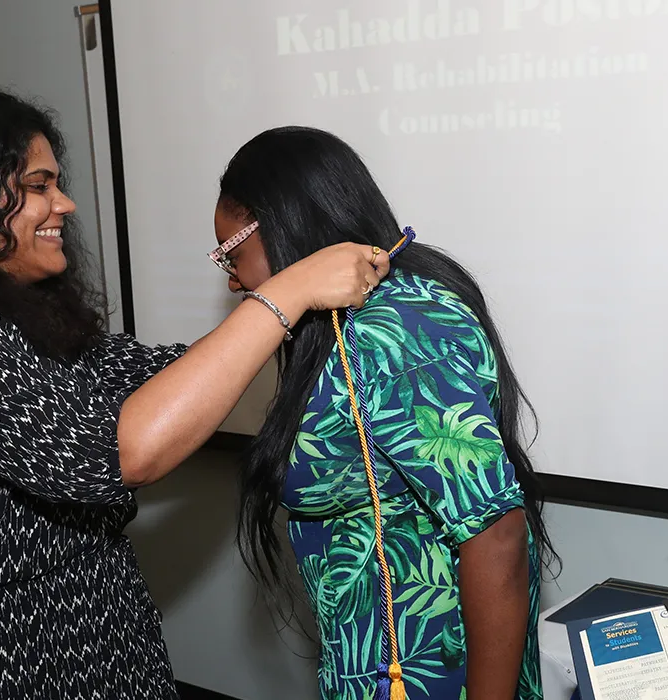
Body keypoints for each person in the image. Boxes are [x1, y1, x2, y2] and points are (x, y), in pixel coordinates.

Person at [0, 81, 389, 698]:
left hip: (104, 648)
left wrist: (285, 317)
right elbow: (121, 453)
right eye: (39, 186)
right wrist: (288, 292)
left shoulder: (23, 320)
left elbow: (158, 375)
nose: (66, 205)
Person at [213, 126, 555, 700]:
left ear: (282, 226)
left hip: (427, 677)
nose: (232, 278)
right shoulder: (346, 326)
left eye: (232, 253)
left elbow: (495, 535)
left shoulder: (389, 335)